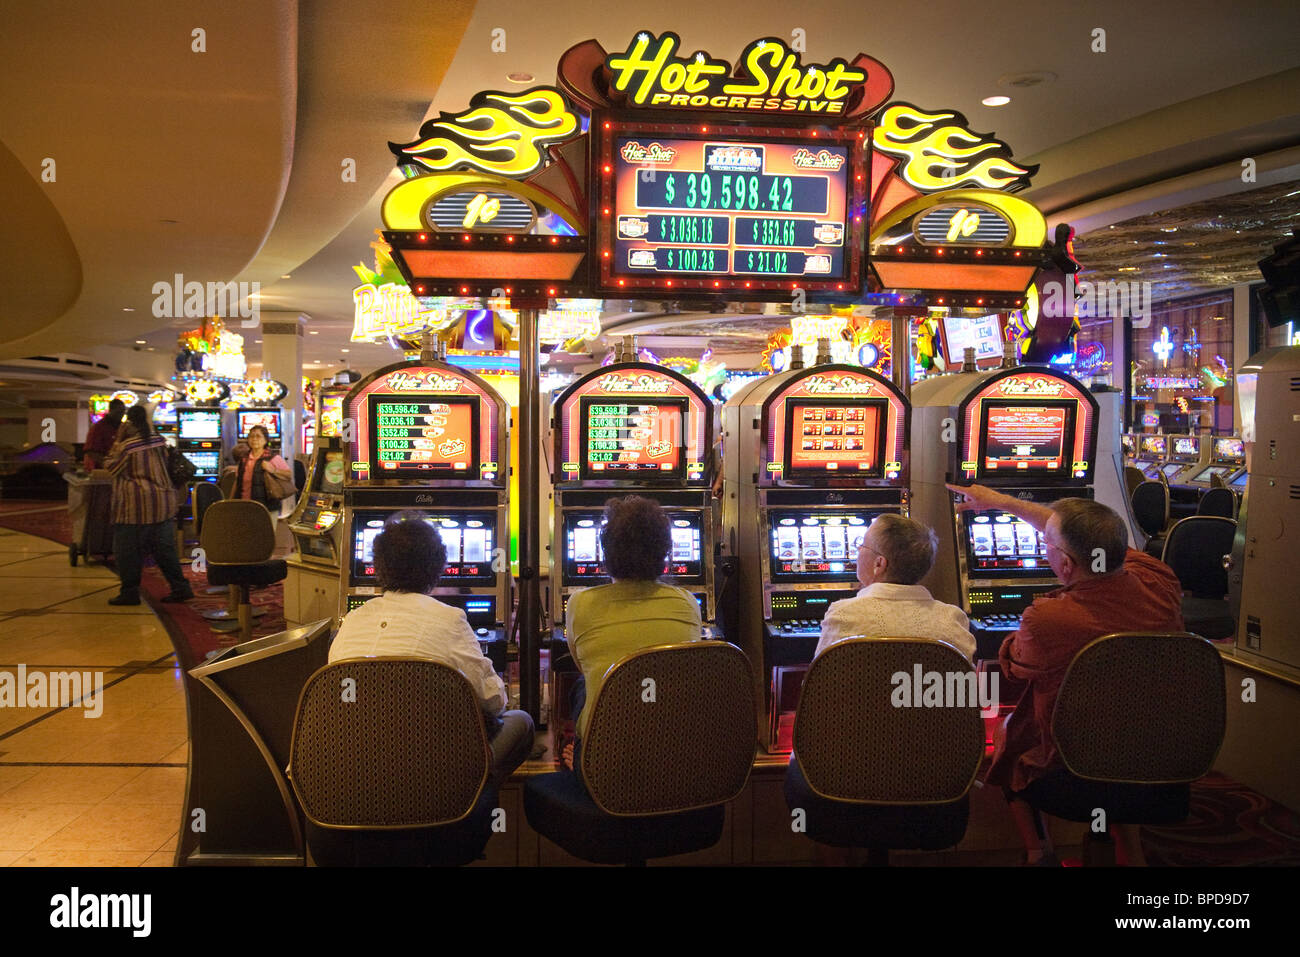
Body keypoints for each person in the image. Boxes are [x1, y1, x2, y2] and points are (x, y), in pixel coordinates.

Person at [947, 482, 1184, 866]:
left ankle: (1039, 852)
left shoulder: (1048, 618)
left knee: (1010, 730)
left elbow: (1013, 665)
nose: (1043, 550)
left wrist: (1019, 635)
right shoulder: (1161, 583)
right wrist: (1005, 502)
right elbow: (1096, 538)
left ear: (1067, 564)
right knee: (1124, 724)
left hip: (1073, 769)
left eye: (1047, 546)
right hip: (1159, 759)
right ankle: (1132, 854)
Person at [329, 513, 533, 787]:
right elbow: (494, 702)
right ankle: (466, 801)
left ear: (378, 566)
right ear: (438, 566)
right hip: (432, 773)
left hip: (357, 772)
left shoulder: (350, 623)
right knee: (522, 721)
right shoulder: (449, 619)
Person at [563, 495, 702, 775]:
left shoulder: (580, 603)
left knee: (584, 684)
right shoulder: (688, 603)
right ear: (664, 553)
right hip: (675, 760)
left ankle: (580, 754)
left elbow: (583, 665)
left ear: (606, 553)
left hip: (604, 763)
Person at [816, 513, 976, 662]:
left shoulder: (843, 616)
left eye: (862, 545)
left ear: (879, 564)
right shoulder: (952, 620)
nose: (858, 550)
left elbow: (822, 685)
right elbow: (964, 688)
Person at [103, 406, 195, 606]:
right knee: (165, 551)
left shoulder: (127, 447)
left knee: (127, 552)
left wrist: (118, 439)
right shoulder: (159, 441)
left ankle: (129, 592)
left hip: (134, 507)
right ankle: (180, 587)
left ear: (130, 423)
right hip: (162, 503)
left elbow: (111, 467)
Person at [230, 424, 292, 513]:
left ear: (265, 440)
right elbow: (237, 482)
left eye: (258, 436)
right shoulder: (244, 459)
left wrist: (273, 470)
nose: (254, 439)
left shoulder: (273, 458)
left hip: (266, 507)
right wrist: (231, 501)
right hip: (244, 505)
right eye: (251, 436)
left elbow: (288, 475)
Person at [82, 398, 126, 470]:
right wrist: (108, 464)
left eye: (123, 412)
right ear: (111, 410)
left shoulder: (122, 427)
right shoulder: (98, 428)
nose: (121, 415)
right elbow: (91, 452)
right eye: (119, 412)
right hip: (101, 470)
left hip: (117, 469)